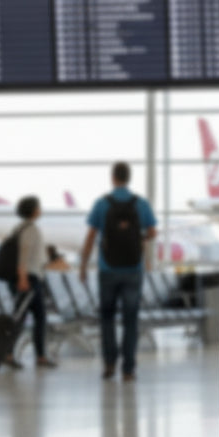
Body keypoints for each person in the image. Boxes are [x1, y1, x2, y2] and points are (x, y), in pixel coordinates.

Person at [79, 162, 158, 382]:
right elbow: (153, 232)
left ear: (113, 178)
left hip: (108, 269)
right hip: (133, 270)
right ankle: (128, 369)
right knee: (131, 320)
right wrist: (139, 237)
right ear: (128, 178)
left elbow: (90, 237)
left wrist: (83, 266)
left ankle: (109, 364)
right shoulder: (141, 204)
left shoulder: (102, 203)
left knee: (107, 318)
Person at [4, 196, 56, 371]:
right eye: (38, 207)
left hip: (27, 277)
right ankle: (11, 354)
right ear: (33, 210)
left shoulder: (18, 227)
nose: (40, 210)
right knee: (24, 318)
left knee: (32, 317)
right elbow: (23, 254)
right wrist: (23, 278)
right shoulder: (31, 229)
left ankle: (39, 356)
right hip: (28, 279)